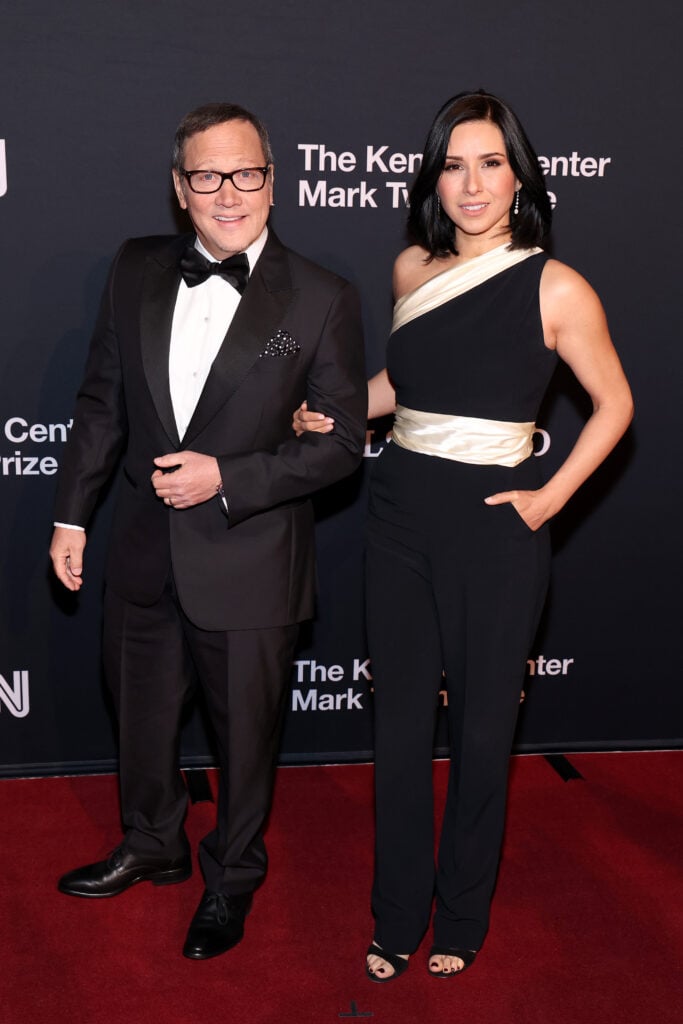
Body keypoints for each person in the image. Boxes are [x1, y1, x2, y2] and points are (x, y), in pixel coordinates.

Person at [293, 90, 633, 982]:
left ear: (518, 175)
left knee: (483, 735)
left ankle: (465, 915)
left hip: (496, 531)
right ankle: (397, 915)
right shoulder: (411, 268)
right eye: (453, 164)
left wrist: (547, 498)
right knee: (399, 731)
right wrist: (329, 414)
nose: (471, 183)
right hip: (400, 513)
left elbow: (615, 405)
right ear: (433, 179)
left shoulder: (555, 285)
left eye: (489, 163)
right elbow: (403, 388)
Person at [49, 102, 367, 960]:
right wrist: (72, 512)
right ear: (179, 187)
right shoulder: (135, 268)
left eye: (246, 173)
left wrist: (228, 475)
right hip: (143, 554)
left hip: (252, 557)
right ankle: (152, 844)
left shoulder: (322, 296)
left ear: (274, 179)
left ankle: (231, 878)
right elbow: (100, 404)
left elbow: (340, 445)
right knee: (140, 719)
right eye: (206, 175)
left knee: (245, 737)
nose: (228, 193)